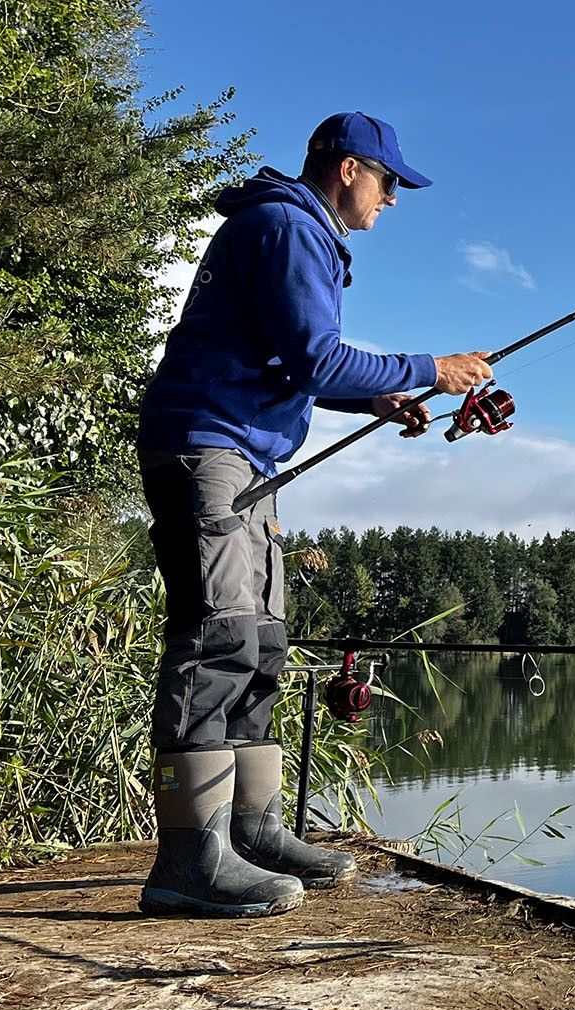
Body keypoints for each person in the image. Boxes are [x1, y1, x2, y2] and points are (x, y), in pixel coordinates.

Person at [135, 112, 493, 917]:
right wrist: (432, 367)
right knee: (218, 637)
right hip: (209, 448)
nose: (393, 200)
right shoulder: (288, 227)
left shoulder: (291, 230)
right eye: (390, 182)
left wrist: (374, 394)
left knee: (262, 640)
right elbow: (311, 353)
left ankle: (253, 834)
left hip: (247, 459)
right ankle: (187, 863)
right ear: (349, 170)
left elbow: (291, 360)